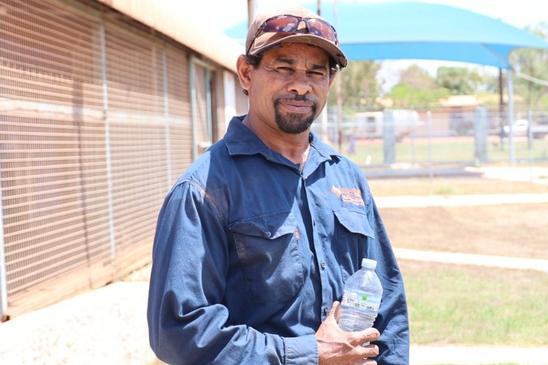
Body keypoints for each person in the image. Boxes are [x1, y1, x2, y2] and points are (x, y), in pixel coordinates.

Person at [147, 7, 409, 365]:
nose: (300, 85)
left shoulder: (345, 177)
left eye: (315, 72)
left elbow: (389, 304)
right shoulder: (204, 188)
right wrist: (307, 354)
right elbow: (178, 332)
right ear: (246, 73)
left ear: (329, 82)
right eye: (283, 68)